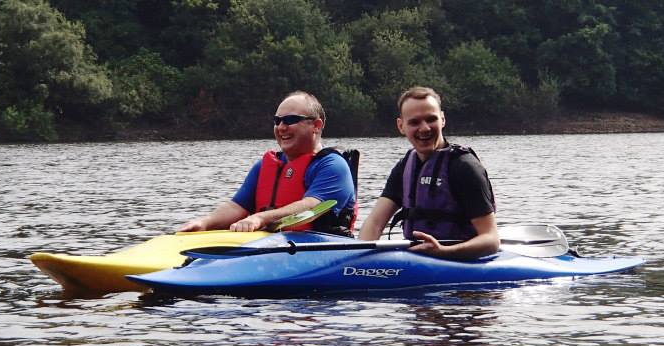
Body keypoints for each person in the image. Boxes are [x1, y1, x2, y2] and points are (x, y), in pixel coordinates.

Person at [178, 91, 357, 236]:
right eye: (277, 121)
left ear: (316, 126)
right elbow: (237, 206)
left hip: (317, 253)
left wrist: (260, 219)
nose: (281, 127)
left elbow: (312, 205)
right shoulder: (264, 166)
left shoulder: (333, 165)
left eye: (290, 120)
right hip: (269, 248)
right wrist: (204, 223)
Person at [359, 86, 500, 258]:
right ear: (401, 126)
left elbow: (491, 239)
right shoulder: (404, 167)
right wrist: (360, 258)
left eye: (431, 119)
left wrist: (444, 252)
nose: (424, 128)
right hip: (418, 261)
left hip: (461, 265)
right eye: (414, 122)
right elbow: (374, 223)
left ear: (442, 120)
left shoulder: (464, 167)